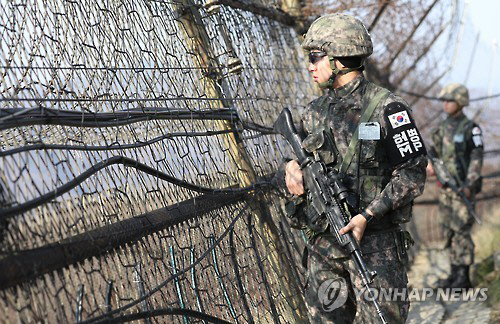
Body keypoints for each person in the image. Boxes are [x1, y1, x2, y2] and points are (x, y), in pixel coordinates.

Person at [283, 14, 427, 323]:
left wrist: (368, 214)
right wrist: (292, 168)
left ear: (338, 59)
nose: (310, 64)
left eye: (315, 56)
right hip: (324, 244)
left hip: (375, 246)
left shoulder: (388, 108)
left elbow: (413, 174)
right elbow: (306, 158)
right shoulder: (314, 112)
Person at [427, 83, 484, 289]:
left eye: (449, 100)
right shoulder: (442, 128)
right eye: (444, 100)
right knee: (449, 230)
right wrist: (431, 166)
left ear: (460, 102)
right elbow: (432, 152)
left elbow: (477, 158)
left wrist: (469, 184)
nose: (445, 104)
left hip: (463, 189)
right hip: (446, 190)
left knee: (462, 231)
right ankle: (453, 273)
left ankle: (463, 276)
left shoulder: (471, 128)